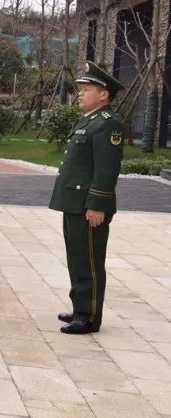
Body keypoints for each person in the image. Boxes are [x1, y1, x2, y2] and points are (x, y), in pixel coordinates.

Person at [52, 61, 125, 335]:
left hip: (89, 207)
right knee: (77, 258)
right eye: (79, 89)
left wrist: (97, 205)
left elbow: (106, 171)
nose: (79, 93)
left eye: (86, 89)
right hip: (74, 204)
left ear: (104, 94)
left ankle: (89, 317)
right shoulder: (88, 121)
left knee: (90, 262)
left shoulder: (108, 125)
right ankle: (80, 307)